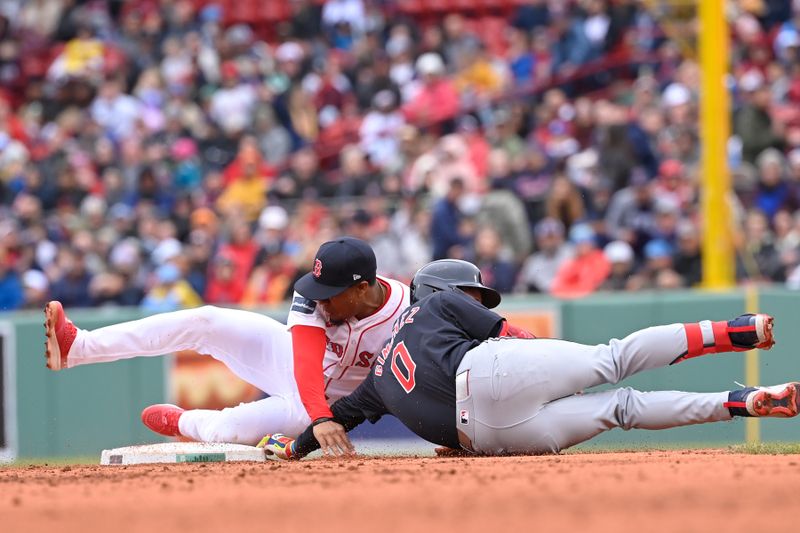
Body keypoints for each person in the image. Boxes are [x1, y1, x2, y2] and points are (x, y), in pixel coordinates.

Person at [257, 259, 793, 460]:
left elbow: (336, 417)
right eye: (473, 292)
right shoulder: (440, 304)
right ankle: (735, 329)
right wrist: (556, 372)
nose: (476, 299)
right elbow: (512, 338)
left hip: (489, 440)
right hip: (490, 372)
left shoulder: (375, 377)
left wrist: (296, 445)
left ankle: (741, 403)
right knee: (614, 359)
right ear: (442, 290)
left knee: (621, 409)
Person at [43, 237, 409, 445]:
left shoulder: (408, 309)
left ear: (362, 288)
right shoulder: (313, 299)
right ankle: (78, 347)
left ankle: (186, 423)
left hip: (325, 404)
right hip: (300, 375)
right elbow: (305, 363)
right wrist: (320, 419)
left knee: (228, 431)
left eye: (330, 293)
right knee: (206, 320)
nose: (320, 300)